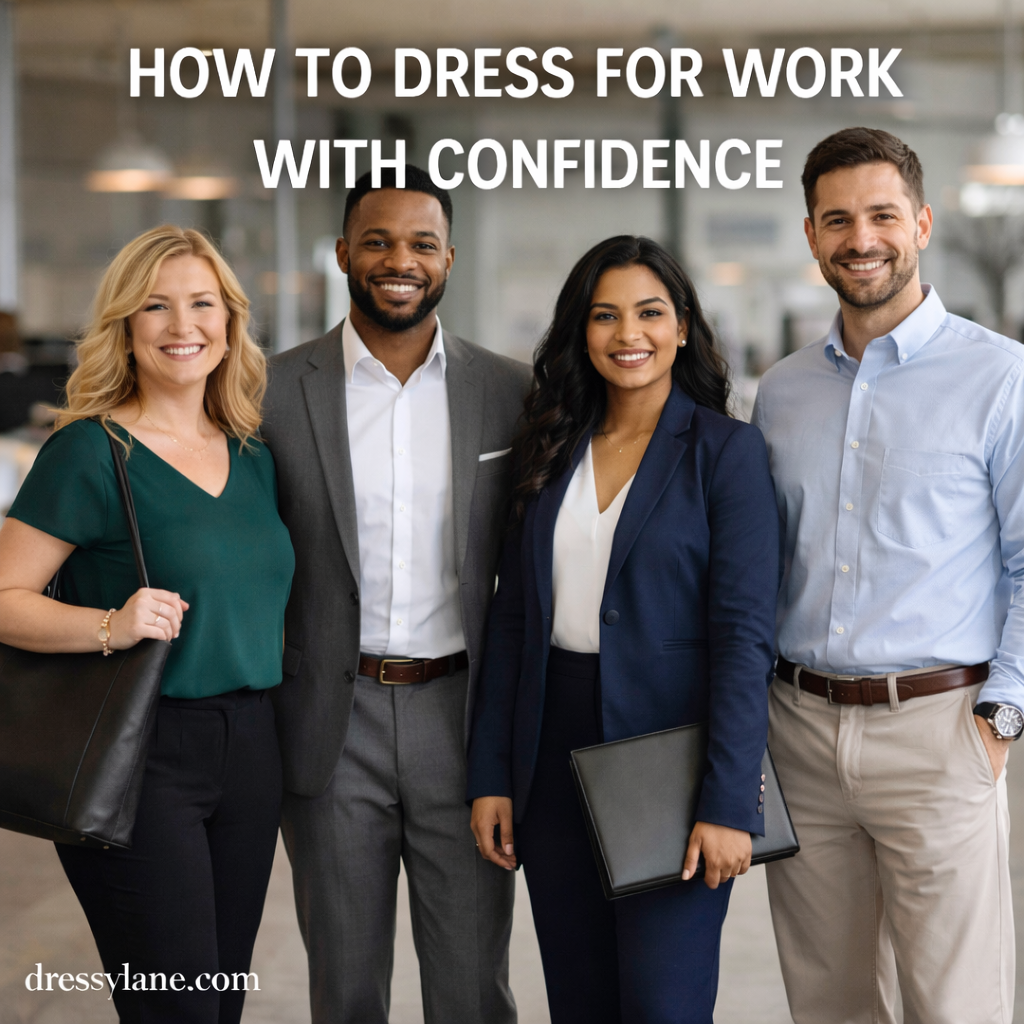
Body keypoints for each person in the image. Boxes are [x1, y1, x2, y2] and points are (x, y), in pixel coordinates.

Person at [467, 235, 779, 1024]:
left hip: (670, 759)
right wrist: (492, 775)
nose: (627, 334)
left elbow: (745, 636)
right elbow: (511, 620)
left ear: (682, 328)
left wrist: (730, 800)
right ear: (580, 332)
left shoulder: (726, 452)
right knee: (579, 1001)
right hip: (551, 749)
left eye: (649, 313)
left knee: (660, 1004)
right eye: (604, 316)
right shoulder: (547, 447)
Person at [753, 127, 1024, 1024]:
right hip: (799, 733)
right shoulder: (781, 392)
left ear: (922, 223)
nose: (859, 238)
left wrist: (999, 720)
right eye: (837, 219)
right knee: (827, 1003)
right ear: (810, 235)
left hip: (940, 733)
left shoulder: (1002, 379)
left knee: (956, 1005)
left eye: (880, 215)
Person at [0, 225, 295, 1022]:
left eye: (203, 304)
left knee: (218, 1002)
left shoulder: (253, 453)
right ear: (126, 326)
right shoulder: (91, 452)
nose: (182, 325)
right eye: (156, 306)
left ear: (230, 322)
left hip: (251, 750)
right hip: (141, 751)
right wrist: (111, 624)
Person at [260, 165, 532, 1024]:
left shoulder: (511, 392)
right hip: (332, 722)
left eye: (420, 243)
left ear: (449, 257)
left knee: (471, 983)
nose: (398, 259)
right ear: (343, 253)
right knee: (344, 984)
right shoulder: (269, 391)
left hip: (464, 715)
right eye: (376, 240)